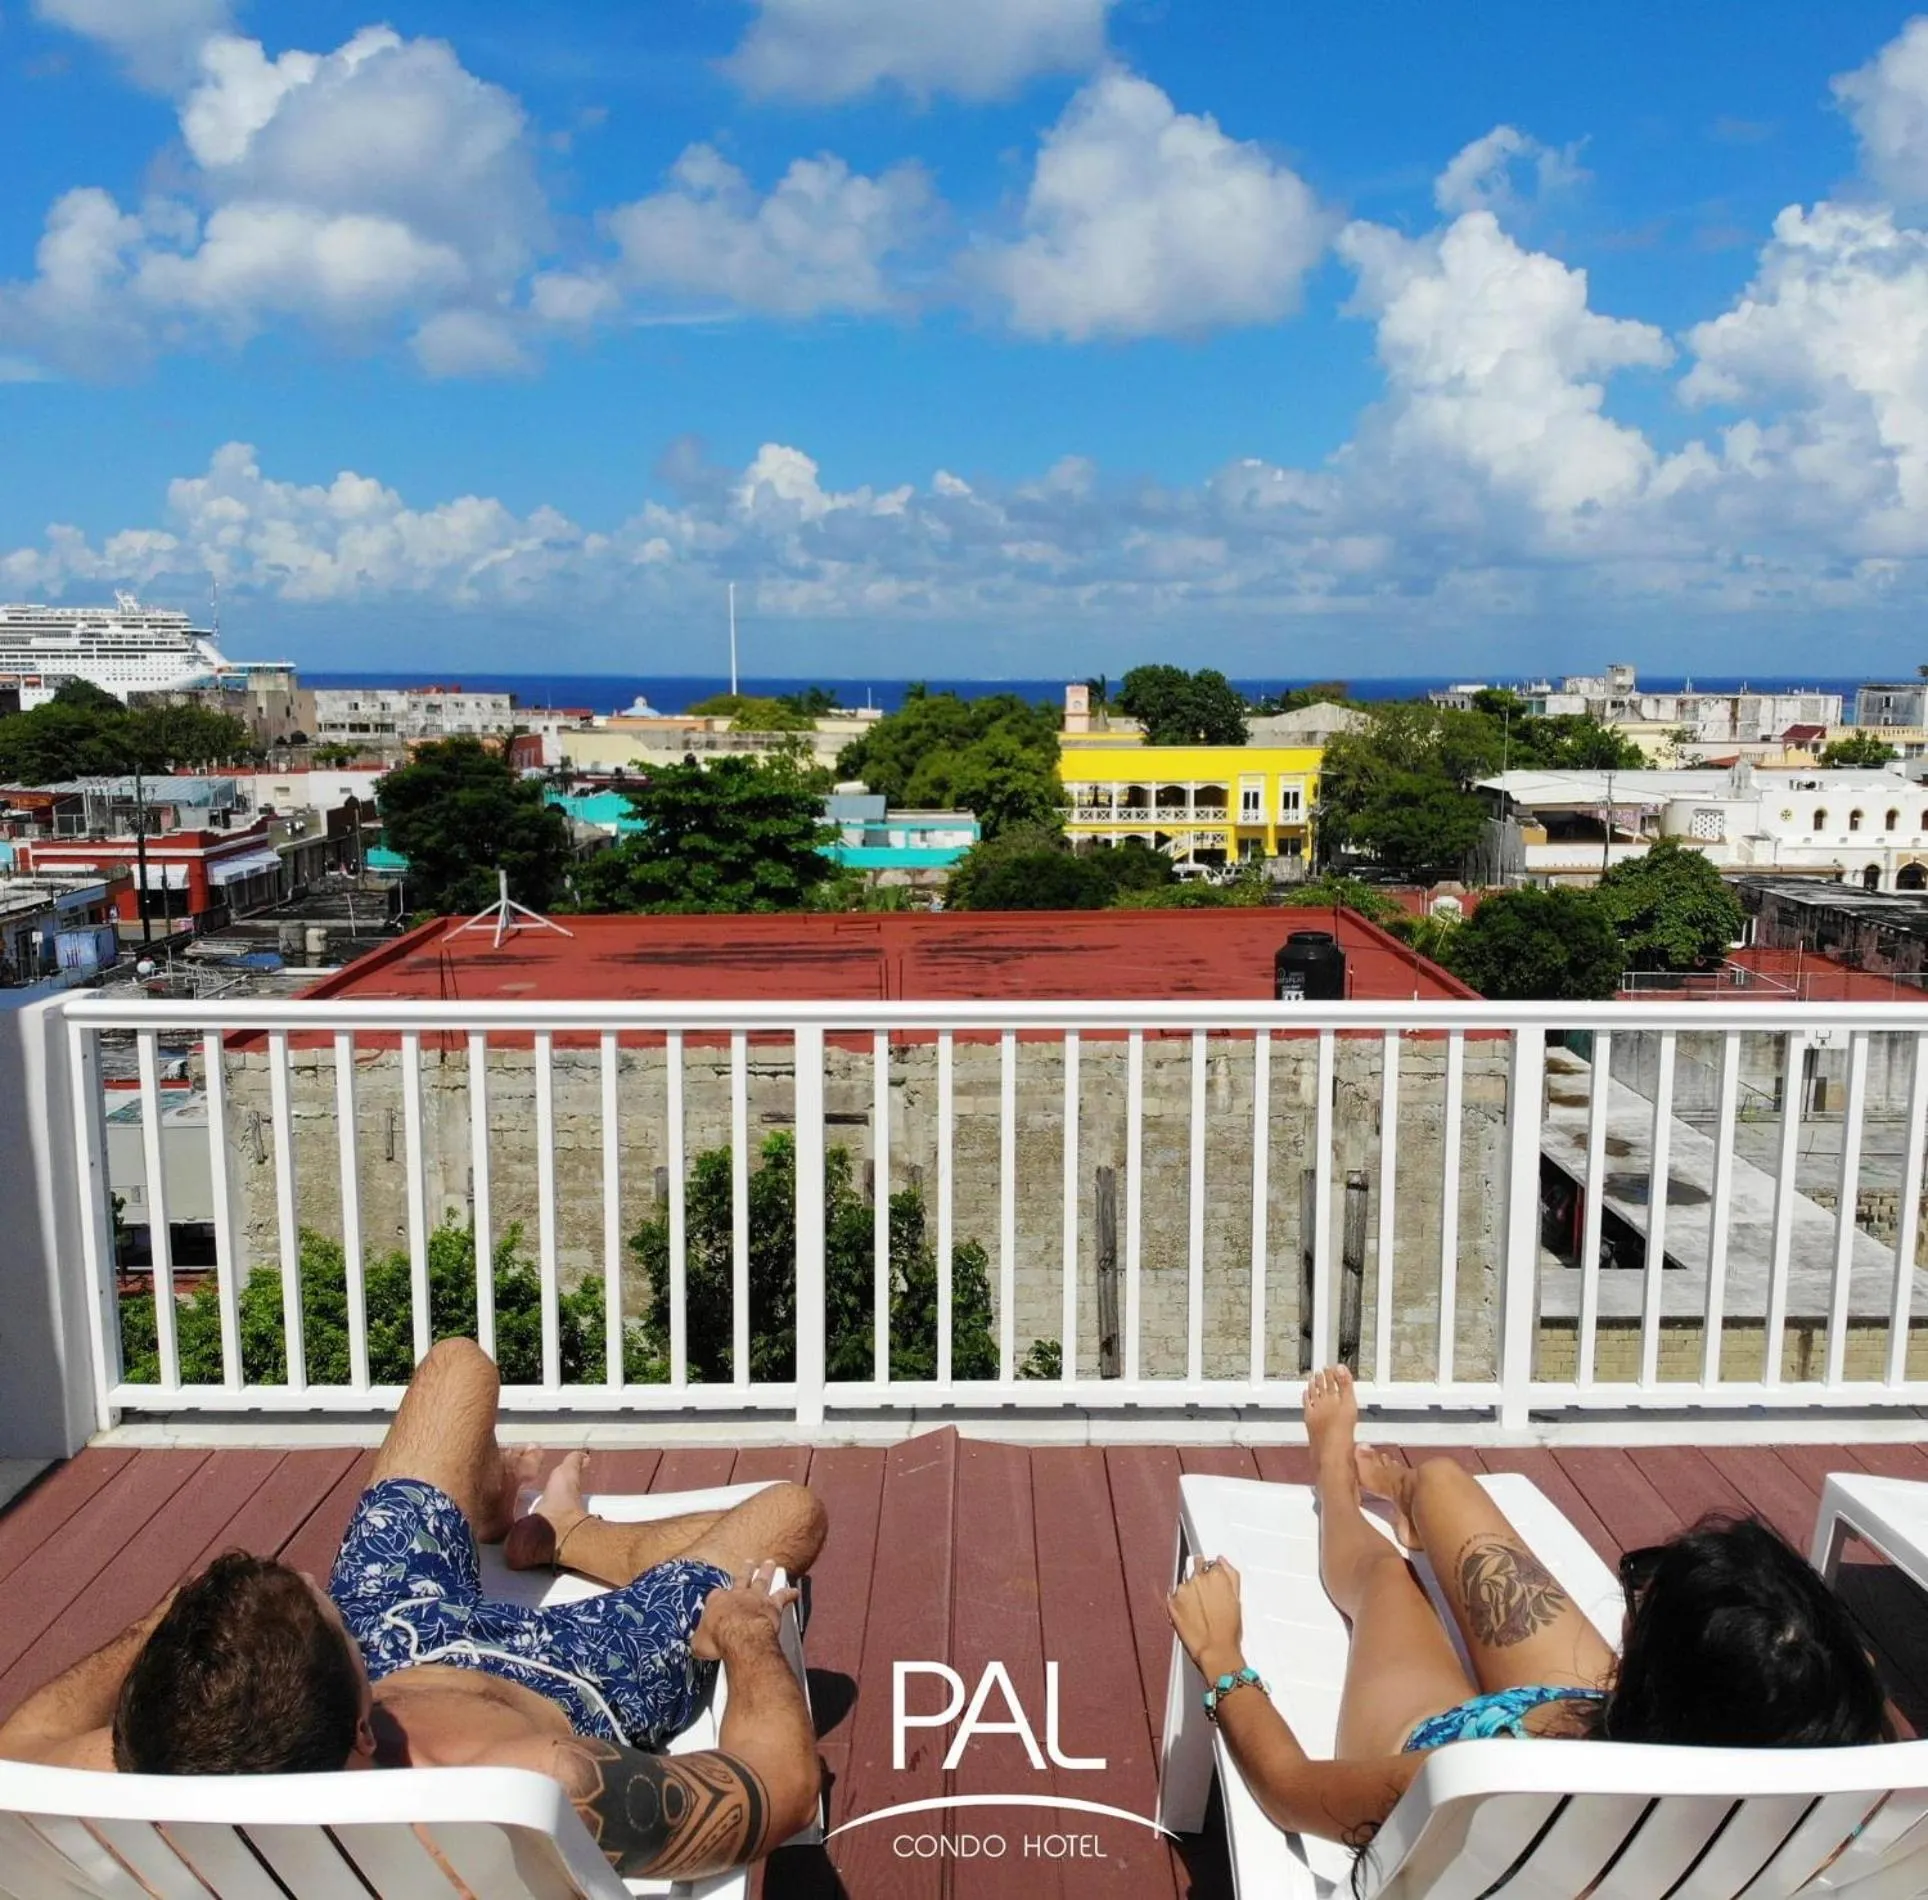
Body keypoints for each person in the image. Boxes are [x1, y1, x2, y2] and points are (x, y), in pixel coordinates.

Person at [0, 1338, 828, 1885]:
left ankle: (500, 1516)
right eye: (324, 1606)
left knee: (458, 1371)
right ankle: (573, 1532)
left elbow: (18, 1746)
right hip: (574, 1675)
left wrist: (173, 1625)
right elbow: (776, 1791)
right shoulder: (538, 1788)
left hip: (396, 1627)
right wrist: (749, 1637)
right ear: (364, 1729)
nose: (311, 1575)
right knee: (789, 1512)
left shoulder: (175, 1768)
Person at [1165, 1365, 1890, 1850]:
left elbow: (1291, 1792)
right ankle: (1414, 1496)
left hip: (1468, 1744)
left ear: (1657, 1679)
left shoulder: (1463, 1788)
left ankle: (1336, 1481)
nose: (1633, 1598)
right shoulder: (1815, 1786)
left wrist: (1223, 1656)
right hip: (1605, 1732)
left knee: (1387, 1579)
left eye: (1646, 1592)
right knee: (1444, 1482)